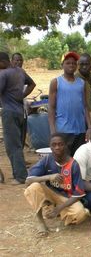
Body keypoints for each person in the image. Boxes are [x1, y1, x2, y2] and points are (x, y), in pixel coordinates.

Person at [24, 133, 90, 236]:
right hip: (50, 193)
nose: (57, 147)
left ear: (65, 145)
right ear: (50, 147)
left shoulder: (73, 164)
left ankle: (58, 211)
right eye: (54, 145)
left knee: (80, 215)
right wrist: (48, 177)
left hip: (66, 198)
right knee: (33, 187)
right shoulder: (46, 160)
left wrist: (59, 208)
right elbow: (28, 181)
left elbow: (78, 194)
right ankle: (41, 222)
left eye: (60, 144)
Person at [0, 52, 35, 184]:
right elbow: (32, 84)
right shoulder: (19, 71)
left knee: (12, 146)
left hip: (9, 113)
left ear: (2, 62)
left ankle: (20, 177)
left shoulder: (3, 74)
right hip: (20, 112)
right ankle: (18, 174)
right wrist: (21, 95)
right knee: (17, 145)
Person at [48, 52, 91, 156]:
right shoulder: (56, 82)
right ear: (62, 65)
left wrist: (89, 127)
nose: (71, 65)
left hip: (80, 129)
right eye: (68, 63)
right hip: (63, 130)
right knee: (64, 159)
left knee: (78, 159)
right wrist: (53, 131)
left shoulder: (82, 83)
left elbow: (85, 106)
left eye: (73, 63)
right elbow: (51, 108)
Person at [76, 53, 91, 125]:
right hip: (81, 116)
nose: (84, 67)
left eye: (86, 64)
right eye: (81, 64)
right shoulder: (75, 79)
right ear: (78, 64)